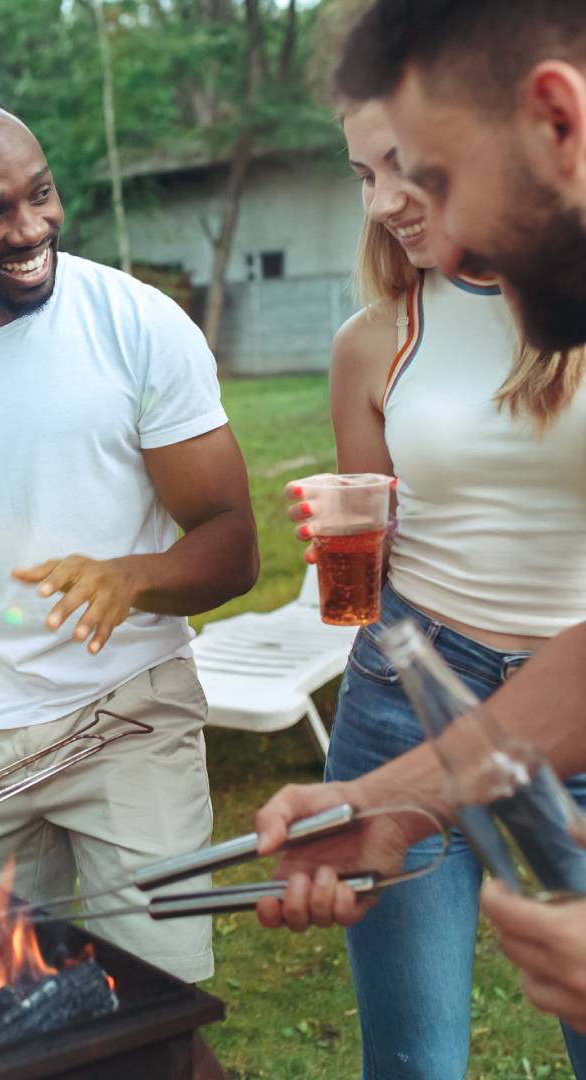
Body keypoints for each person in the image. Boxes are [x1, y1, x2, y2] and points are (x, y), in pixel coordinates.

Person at [0, 91, 258, 1076]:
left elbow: (232, 545)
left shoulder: (135, 324)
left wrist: (129, 578)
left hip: (129, 712)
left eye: (39, 195)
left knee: (158, 1029)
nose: (30, 227)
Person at [251, 0, 586, 1050]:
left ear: (556, 122)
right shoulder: (385, 334)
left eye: (430, 171)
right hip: (421, 678)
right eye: (374, 177)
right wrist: (392, 799)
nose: (400, 207)